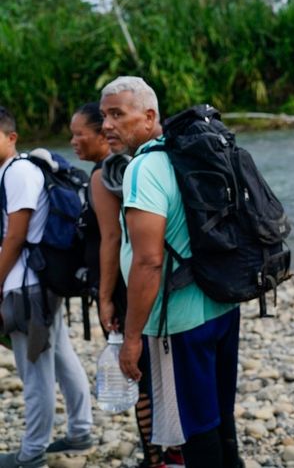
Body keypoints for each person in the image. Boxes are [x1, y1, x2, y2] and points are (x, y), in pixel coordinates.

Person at [99, 77, 241, 468]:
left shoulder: (143, 168)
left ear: (149, 117)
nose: (107, 125)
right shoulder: (185, 154)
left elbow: (148, 261)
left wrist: (131, 339)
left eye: (117, 114)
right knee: (218, 415)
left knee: (193, 428)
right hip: (220, 302)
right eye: (103, 116)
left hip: (178, 320)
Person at [71, 103, 183, 468]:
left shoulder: (103, 175)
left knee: (137, 375)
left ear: (102, 135)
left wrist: (104, 299)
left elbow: (110, 239)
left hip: (126, 288)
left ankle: (155, 458)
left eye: (80, 134)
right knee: (159, 373)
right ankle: (174, 449)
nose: (74, 142)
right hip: (153, 285)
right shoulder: (139, 166)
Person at [0, 106, 93, 468]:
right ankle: (80, 430)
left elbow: (15, 236)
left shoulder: (18, 172)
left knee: (34, 369)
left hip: (28, 287)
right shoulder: (16, 170)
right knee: (59, 354)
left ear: (12, 138)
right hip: (39, 282)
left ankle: (32, 452)